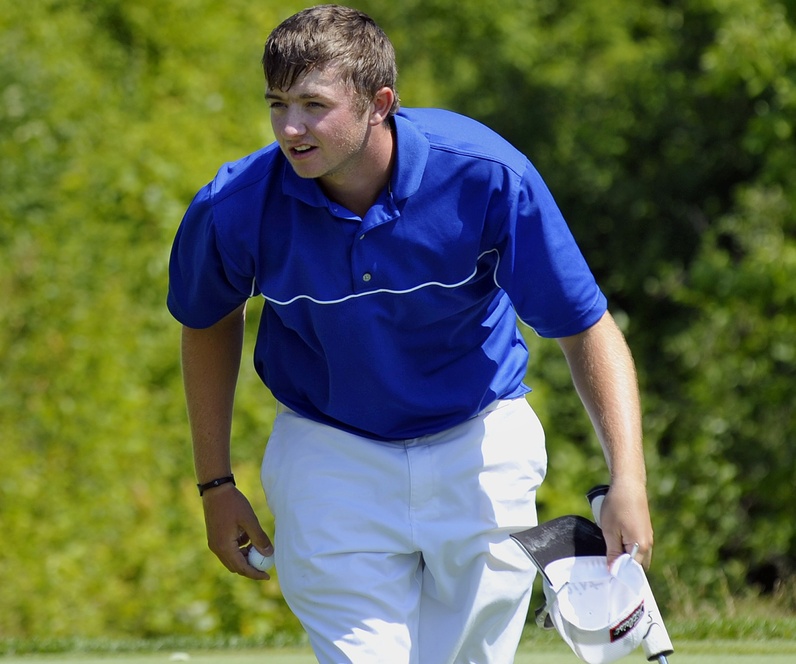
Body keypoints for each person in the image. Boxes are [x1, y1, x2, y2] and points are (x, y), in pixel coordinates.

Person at [167, 4, 654, 663]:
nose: (290, 127)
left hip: (480, 440)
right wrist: (215, 484)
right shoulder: (233, 206)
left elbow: (584, 328)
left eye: (313, 104)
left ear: (380, 103)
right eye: (277, 103)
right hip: (328, 449)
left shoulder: (487, 176)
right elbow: (207, 323)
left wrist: (627, 478)